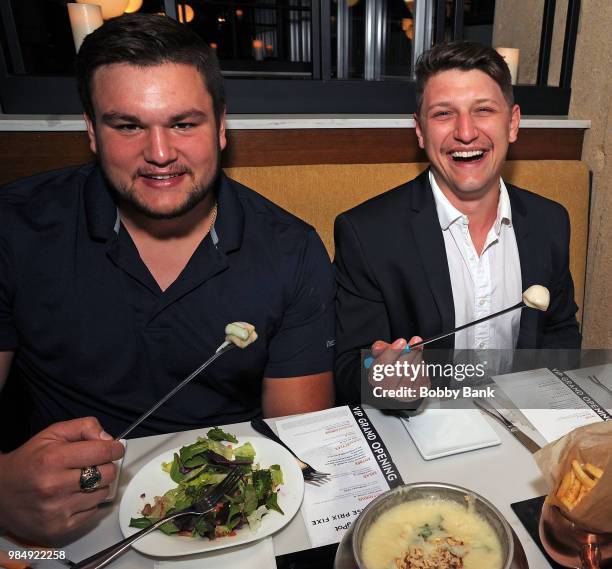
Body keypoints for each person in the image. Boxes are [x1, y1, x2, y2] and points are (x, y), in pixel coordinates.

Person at [0, 14, 334, 543]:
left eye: (184, 123)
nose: (159, 153)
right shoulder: (12, 228)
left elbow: (298, 443)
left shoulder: (292, 249)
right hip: (57, 528)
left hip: (231, 516)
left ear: (222, 126)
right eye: (128, 125)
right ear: (91, 130)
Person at [334, 41, 581, 404]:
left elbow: (560, 331)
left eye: (483, 110)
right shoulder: (367, 234)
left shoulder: (550, 222)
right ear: (420, 131)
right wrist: (382, 378)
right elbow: (346, 369)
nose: (466, 132)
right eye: (443, 114)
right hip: (421, 433)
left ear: (512, 123)